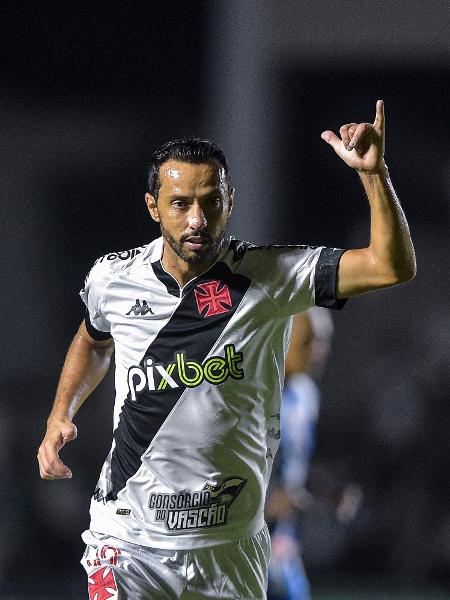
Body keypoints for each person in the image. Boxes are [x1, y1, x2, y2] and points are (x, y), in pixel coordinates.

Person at [37, 100, 416, 599]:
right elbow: (93, 338)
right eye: (180, 204)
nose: (197, 219)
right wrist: (60, 413)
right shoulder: (113, 278)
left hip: (230, 551)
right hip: (128, 541)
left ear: (229, 201)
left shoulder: (273, 276)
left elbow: (392, 267)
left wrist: (374, 175)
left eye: (210, 201)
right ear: (153, 207)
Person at [266, 308, 333, 600]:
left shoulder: (306, 395)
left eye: (323, 342)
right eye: (308, 341)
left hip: (282, 535)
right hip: (241, 529)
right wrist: (265, 503)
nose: (317, 351)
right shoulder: (254, 391)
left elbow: (297, 464)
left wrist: (325, 492)